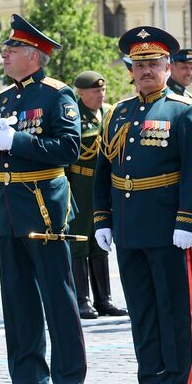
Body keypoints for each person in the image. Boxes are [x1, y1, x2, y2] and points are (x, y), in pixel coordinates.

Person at [93, 26, 192, 384]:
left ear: (167, 68)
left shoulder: (183, 110)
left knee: (173, 308)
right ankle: (150, 381)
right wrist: (102, 218)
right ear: (130, 70)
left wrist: (188, 220)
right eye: (139, 64)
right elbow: (103, 170)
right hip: (129, 226)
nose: (146, 70)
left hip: (167, 226)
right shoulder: (119, 113)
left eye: (154, 64)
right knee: (142, 308)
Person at [0, 16, 86, 384]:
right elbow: (0, 162)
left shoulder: (57, 95)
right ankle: (28, 378)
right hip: (9, 206)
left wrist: (17, 141)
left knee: (57, 296)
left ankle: (68, 378)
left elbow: (68, 148)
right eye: (6, 48)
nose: (5, 54)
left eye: (13, 49)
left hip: (43, 206)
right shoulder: (3, 99)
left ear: (34, 56)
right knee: (17, 297)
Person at [69, 70, 126, 319]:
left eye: (103, 90)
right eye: (95, 91)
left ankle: (104, 299)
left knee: (101, 239)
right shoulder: (72, 115)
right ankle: (82, 299)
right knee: (80, 239)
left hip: (104, 184)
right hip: (80, 184)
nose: (101, 94)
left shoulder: (110, 113)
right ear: (81, 93)